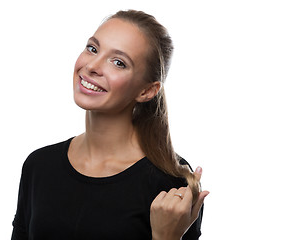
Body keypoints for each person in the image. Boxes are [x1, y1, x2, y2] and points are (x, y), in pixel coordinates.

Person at [11, 10, 209, 240]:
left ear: (147, 91)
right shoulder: (39, 166)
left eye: (118, 63)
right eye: (92, 48)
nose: (93, 66)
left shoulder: (170, 182)